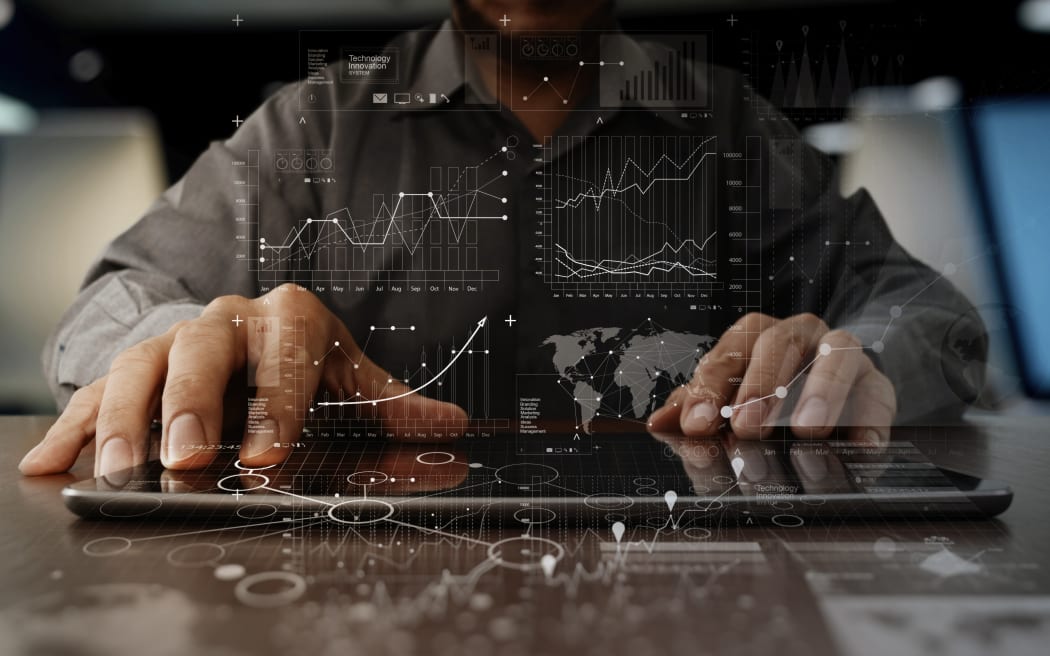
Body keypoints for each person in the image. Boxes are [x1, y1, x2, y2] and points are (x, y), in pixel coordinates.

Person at [19, 0, 985, 478]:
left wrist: (854, 360)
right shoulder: (310, 124)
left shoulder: (731, 129)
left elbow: (922, 311)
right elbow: (116, 305)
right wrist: (195, 341)